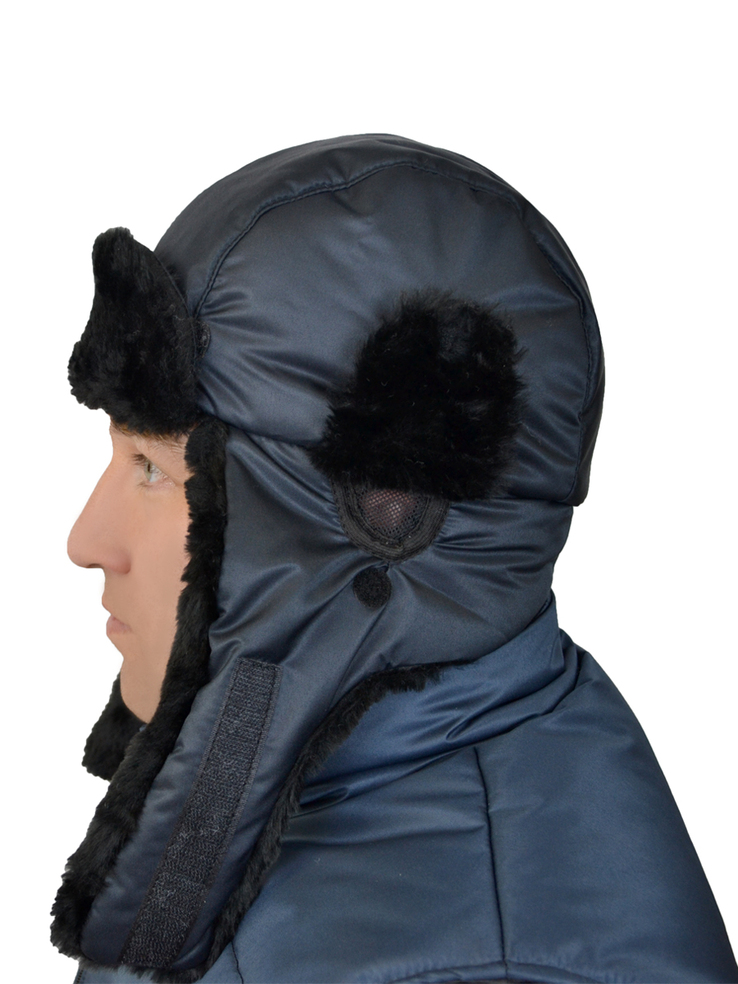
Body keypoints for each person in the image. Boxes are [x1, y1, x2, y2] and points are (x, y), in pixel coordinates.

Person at [51, 134, 738, 984]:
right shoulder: (303, 786)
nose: (86, 541)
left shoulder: (497, 966)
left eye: (154, 470)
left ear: (383, 520)